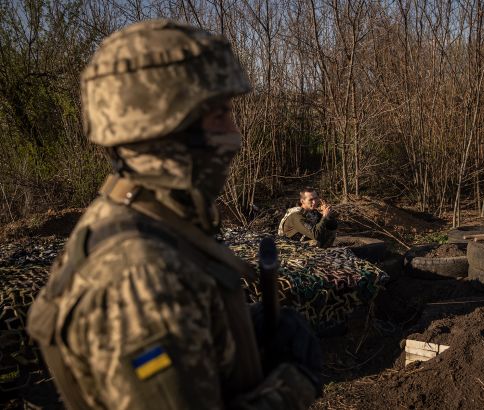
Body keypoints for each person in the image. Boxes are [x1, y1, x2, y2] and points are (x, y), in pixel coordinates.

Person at [27, 20, 321, 410]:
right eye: (219, 116)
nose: (234, 136)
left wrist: (237, 331)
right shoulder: (140, 276)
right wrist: (292, 387)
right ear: (162, 126)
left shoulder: (144, 214)